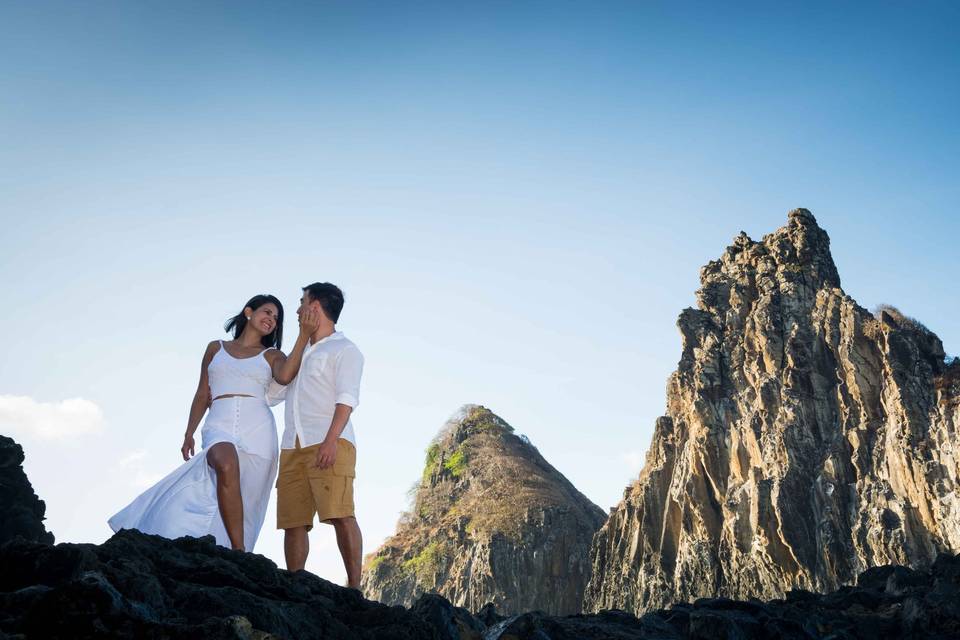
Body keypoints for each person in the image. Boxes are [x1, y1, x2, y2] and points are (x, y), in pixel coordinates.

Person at [108, 294, 321, 552]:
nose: (271, 320)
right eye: (267, 312)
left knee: (248, 502)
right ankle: (239, 551)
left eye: (276, 318)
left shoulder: (271, 354)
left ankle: (232, 550)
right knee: (225, 461)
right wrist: (189, 433)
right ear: (248, 312)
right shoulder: (215, 348)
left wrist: (303, 335)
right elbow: (201, 394)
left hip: (259, 430)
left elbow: (286, 376)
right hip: (219, 421)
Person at [274, 282, 365, 588]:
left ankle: (354, 587)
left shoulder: (345, 349)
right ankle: (295, 586)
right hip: (292, 444)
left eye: (302, 303)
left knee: (340, 513)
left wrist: (330, 440)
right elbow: (274, 390)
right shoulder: (299, 352)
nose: (298, 310)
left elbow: (347, 399)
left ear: (315, 307)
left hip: (329, 440)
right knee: (293, 520)